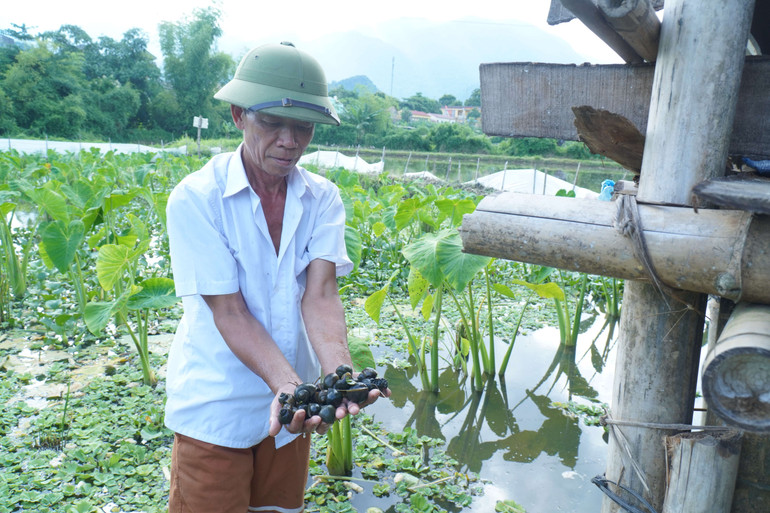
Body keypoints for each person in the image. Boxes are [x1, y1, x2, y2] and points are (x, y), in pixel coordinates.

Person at [164, 41, 388, 513]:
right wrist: (290, 386)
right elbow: (229, 310)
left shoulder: (322, 198)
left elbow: (320, 293)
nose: (290, 140)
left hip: (290, 420)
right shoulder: (197, 198)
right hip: (217, 403)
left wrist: (339, 376)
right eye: (272, 122)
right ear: (238, 116)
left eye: (303, 126)